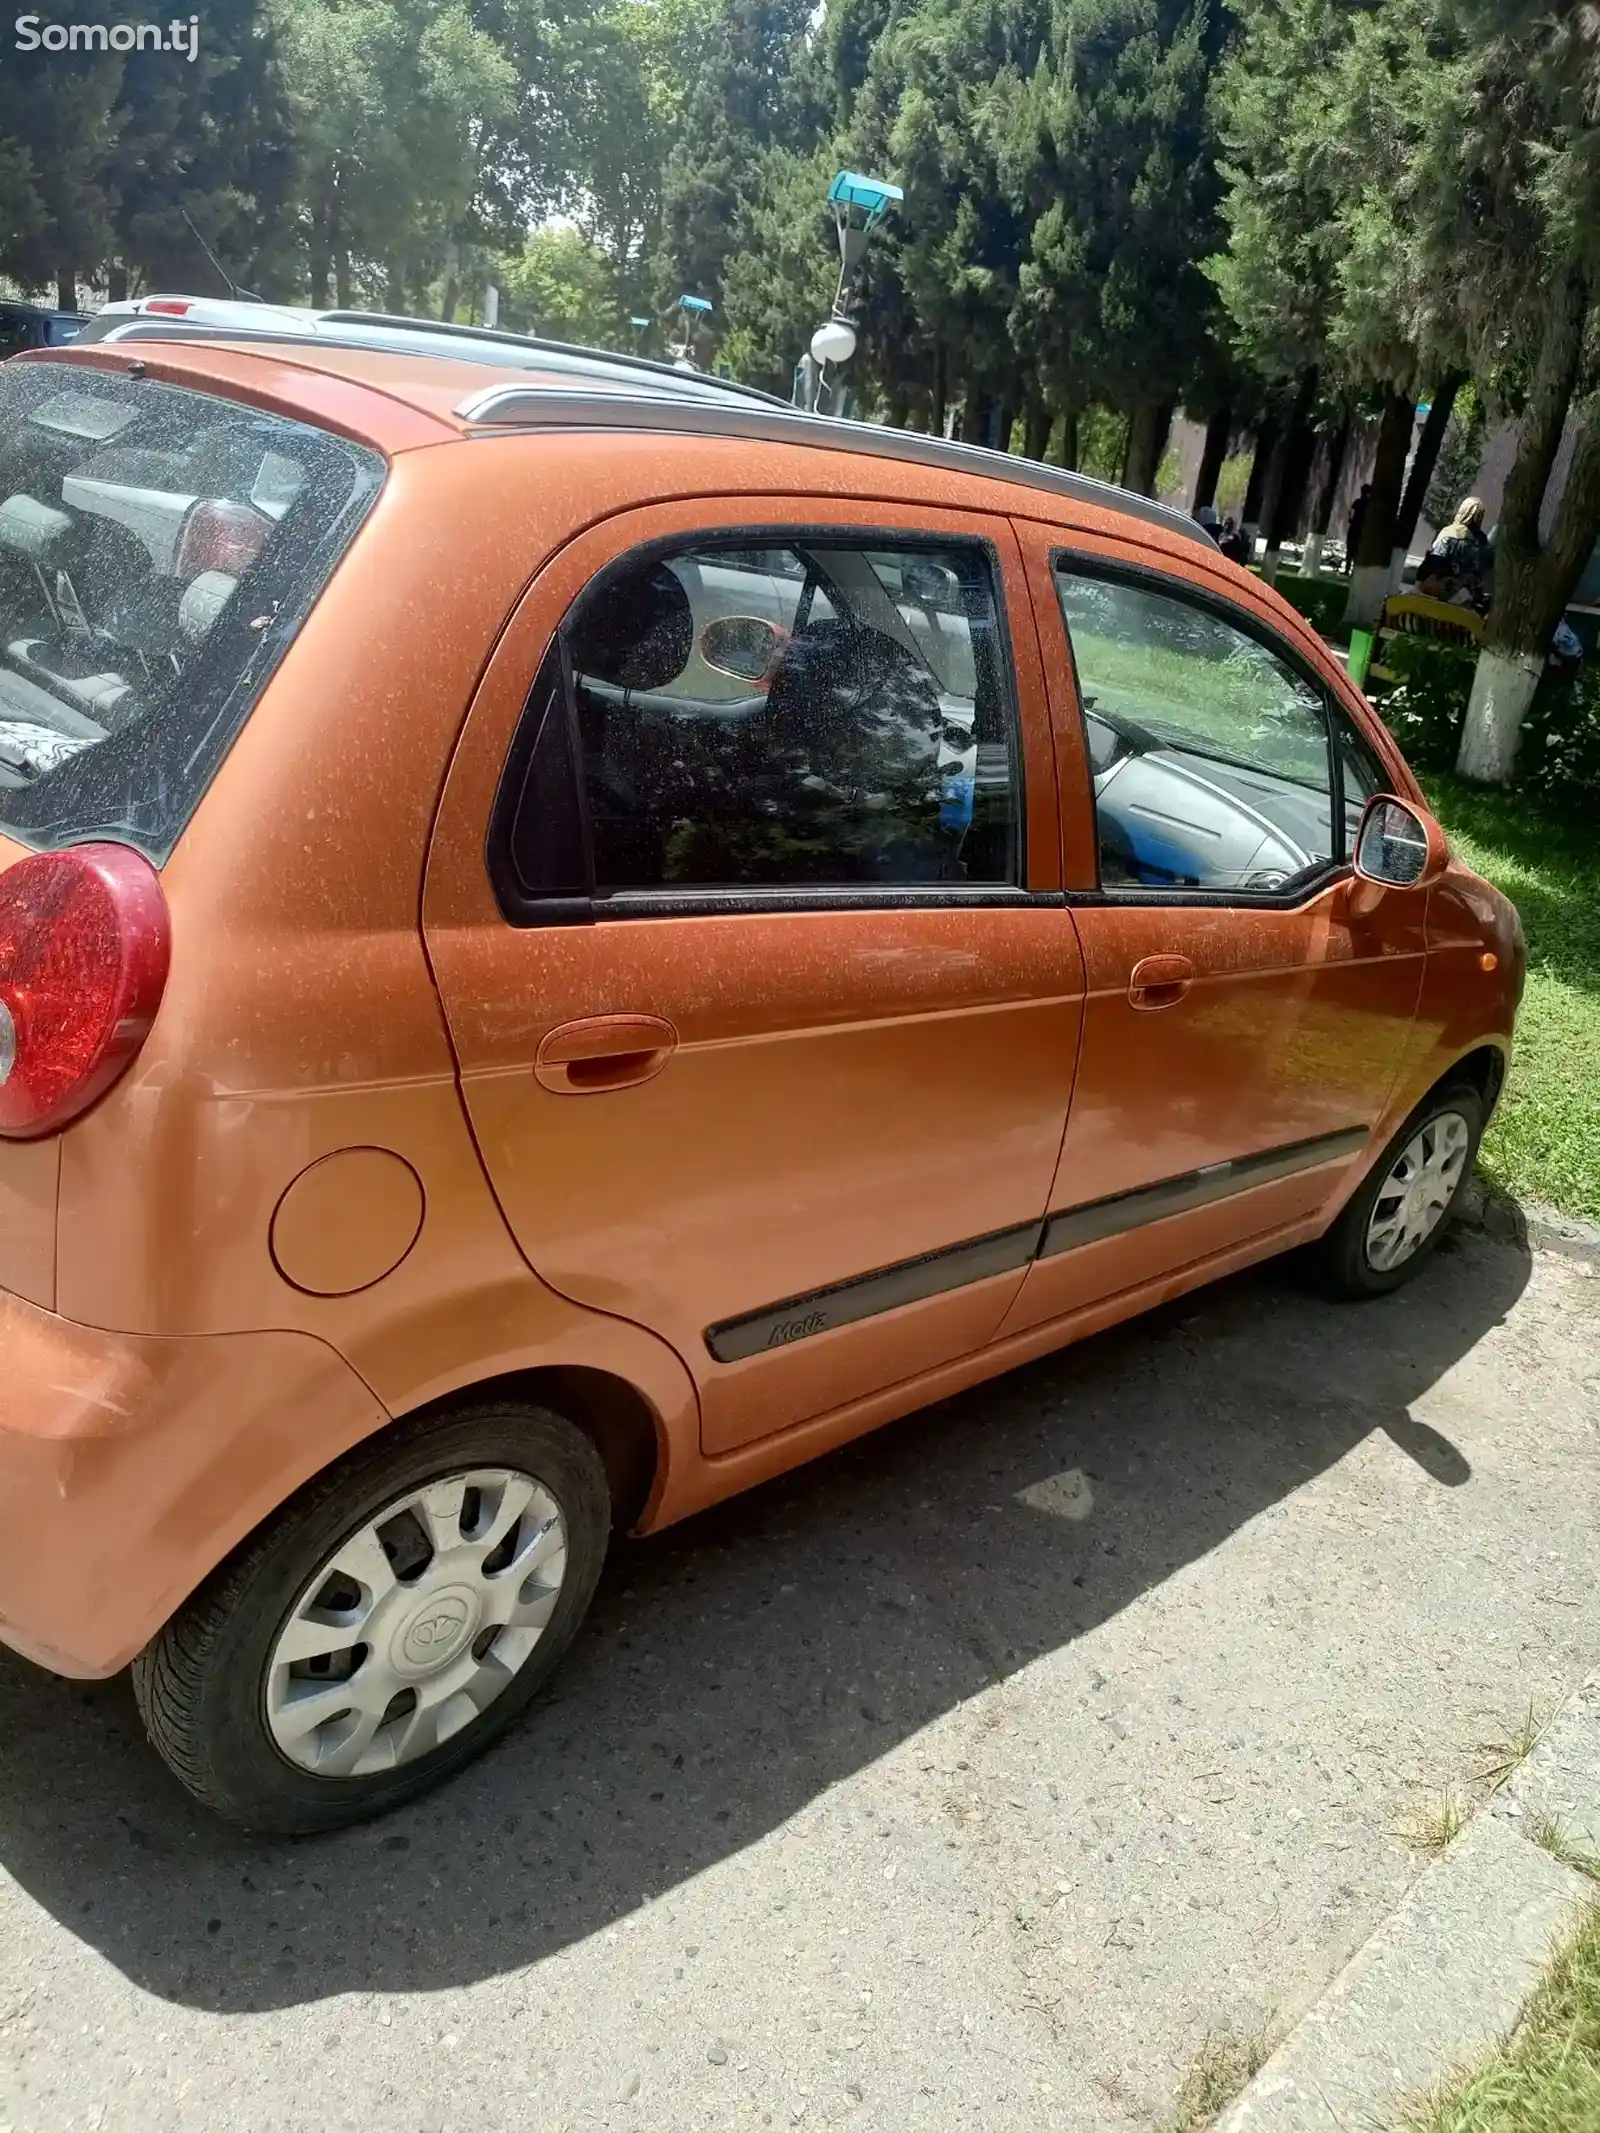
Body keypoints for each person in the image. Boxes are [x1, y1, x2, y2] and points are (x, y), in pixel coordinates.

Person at [1419, 496, 1493, 612]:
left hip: (1443, 596)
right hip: (1468, 599)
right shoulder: (1483, 542)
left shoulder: (1449, 534)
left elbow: (1434, 563)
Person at [1346, 483, 1371, 563]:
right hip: (1362, 529)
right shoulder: (1370, 504)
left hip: (1354, 527)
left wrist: (1350, 519)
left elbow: (1351, 512)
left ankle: (1348, 567)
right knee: (1357, 548)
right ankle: (1354, 567)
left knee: (1350, 547)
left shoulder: (1358, 502)